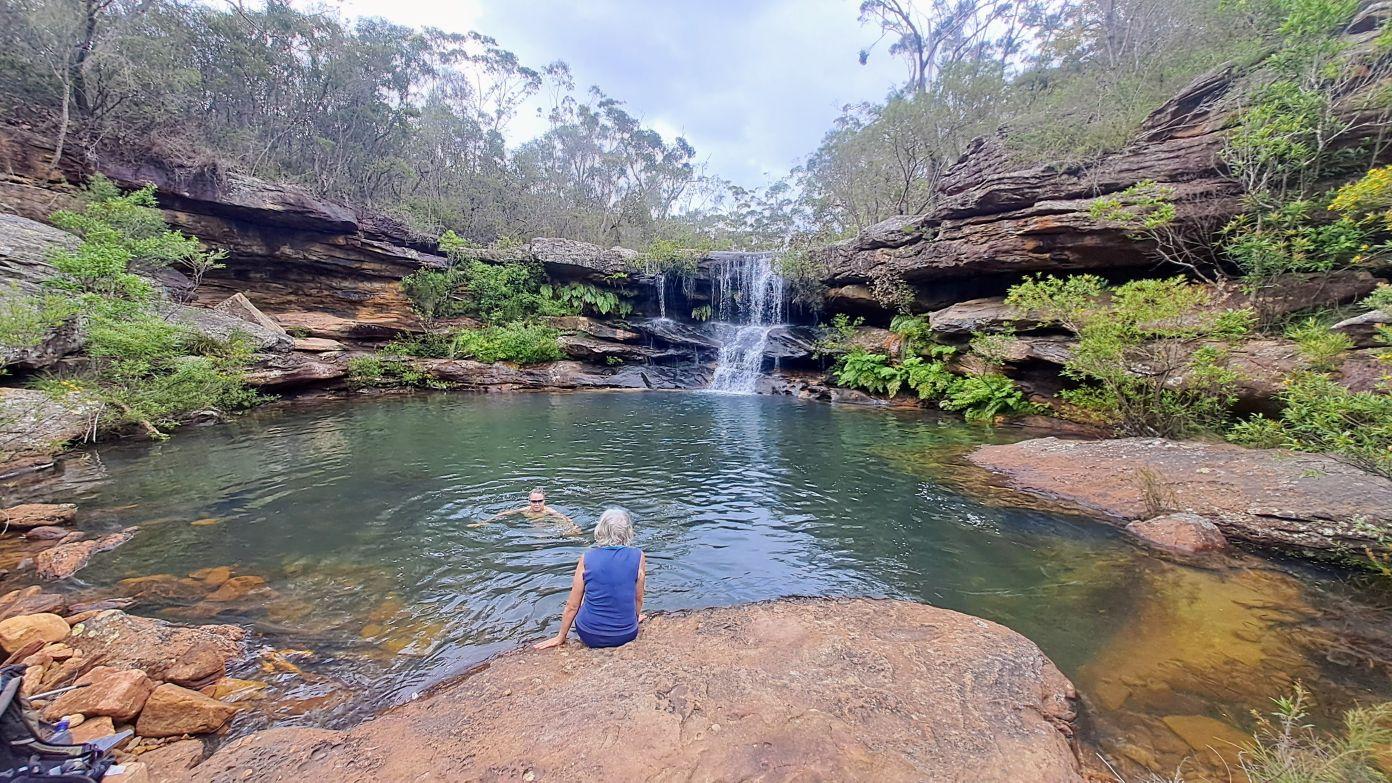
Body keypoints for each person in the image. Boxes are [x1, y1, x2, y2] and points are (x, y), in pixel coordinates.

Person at [535, 507, 645, 650]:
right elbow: (638, 598)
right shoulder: (638, 555)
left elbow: (572, 606)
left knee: (583, 604)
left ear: (601, 529)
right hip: (627, 634)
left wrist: (560, 637)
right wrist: (633, 620)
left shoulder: (587, 557)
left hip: (590, 634)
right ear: (628, 531)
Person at [476, 487, 579, 533]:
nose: (537, 504)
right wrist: (483, 523)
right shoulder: (525, 510)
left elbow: (564, 518)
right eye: (534, 501)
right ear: (529, 501)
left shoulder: (549, 511)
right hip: (531, 524)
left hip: (546, 523)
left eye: (540, 501)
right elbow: (503, 514)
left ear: (544, 501)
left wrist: (574, 527)